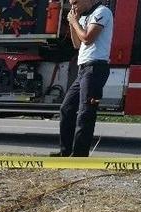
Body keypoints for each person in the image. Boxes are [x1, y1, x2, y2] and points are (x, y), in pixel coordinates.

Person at [54, 0, 114, 157]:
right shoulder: (83, 16)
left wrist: (75, 22)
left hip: (95, 67)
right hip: (83, 69)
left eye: (75, 2)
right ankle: (65, 152)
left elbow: (87, 38)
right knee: (66, 108)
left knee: (85, 112)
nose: (73, 6)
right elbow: (77, 44)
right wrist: (74, 22)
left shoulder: (102, 12)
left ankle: (79, 155)